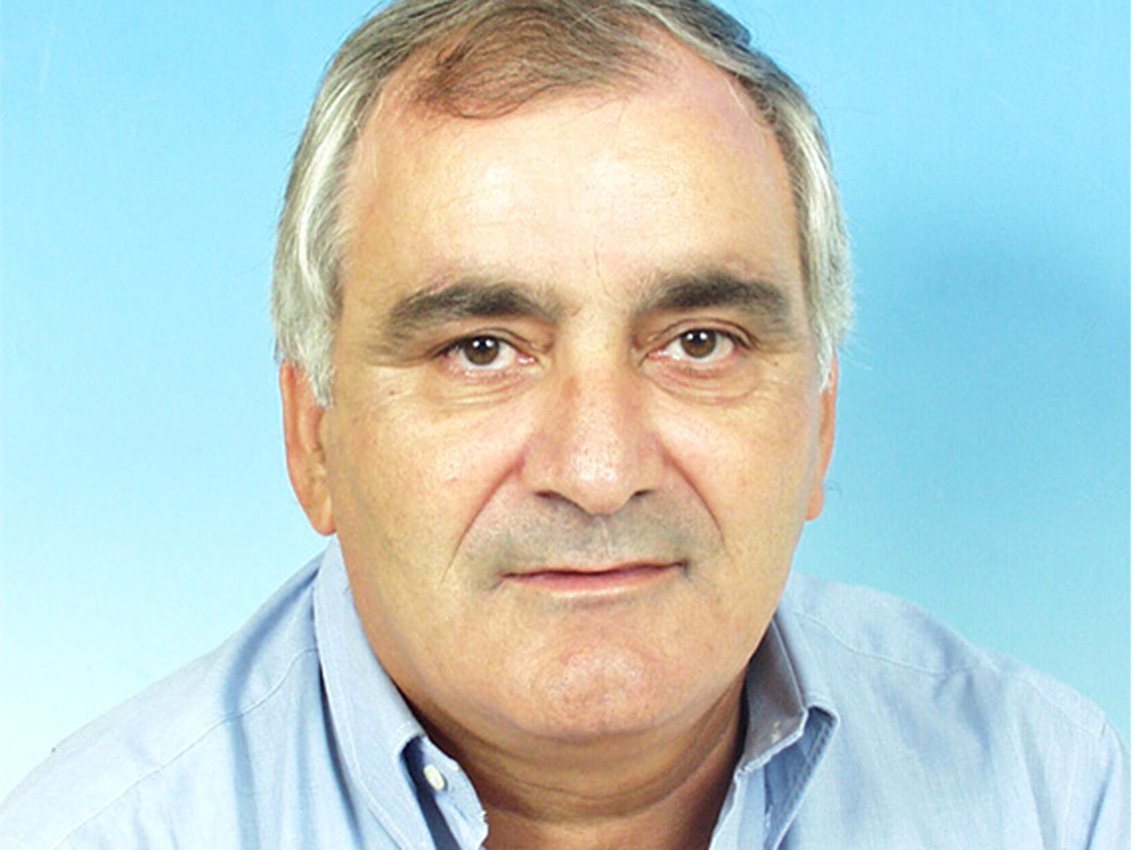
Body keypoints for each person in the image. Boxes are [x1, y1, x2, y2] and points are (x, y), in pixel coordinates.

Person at [0, 0, 1127, 847]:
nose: (597, 470)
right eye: (480, 348)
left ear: (818, 422)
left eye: (699, 341)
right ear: (313, 439)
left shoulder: (1046, 793)